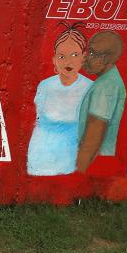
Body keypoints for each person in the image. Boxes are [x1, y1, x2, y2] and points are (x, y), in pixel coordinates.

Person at [27, 23, 93, 175]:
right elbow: (39, 116)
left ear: (84, 57)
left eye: (75, 55)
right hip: (40, 156)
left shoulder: (90, 88)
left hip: (72, 159)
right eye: (61, 56)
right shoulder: (45, 86)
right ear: (54, 59)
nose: (68, 61)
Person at [75, 31, 126, 174]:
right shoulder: (109, 80)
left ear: (103, 59)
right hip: (98, 160)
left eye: (91, 53)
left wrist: (77, 175)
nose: (85, 57)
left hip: (94, 163)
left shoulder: (106, 86)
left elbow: (93, 139)